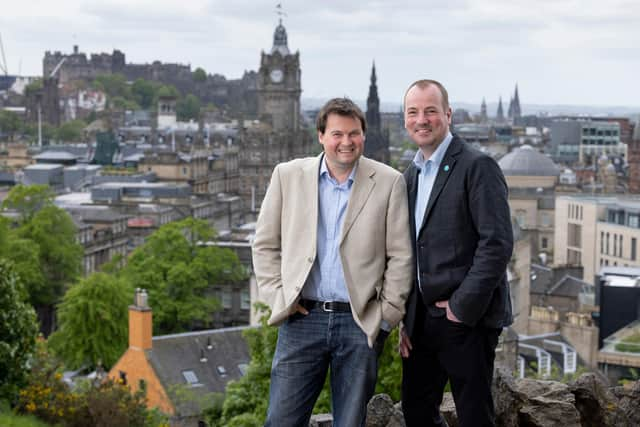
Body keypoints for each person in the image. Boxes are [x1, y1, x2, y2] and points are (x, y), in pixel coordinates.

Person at [252, 97, 413, 427]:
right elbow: (265, 244)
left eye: (354, 134)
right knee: (281, 420)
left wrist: (386, 317)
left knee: (350, 422)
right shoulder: (288, 175)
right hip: (302, 318)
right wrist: (278, 297)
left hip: (358, 322)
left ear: (364, 136)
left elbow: (401, 255)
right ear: (321, 135)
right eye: (337, 134)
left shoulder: (389, 181)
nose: (346, 142)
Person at [399, 79, 514, 427]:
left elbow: (496, 243)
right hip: (421, 323)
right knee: (417, 412)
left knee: (474, 417)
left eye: (431, 111)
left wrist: (462, 308)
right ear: (405, 119)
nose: (422, 120)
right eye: (413, 112)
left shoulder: (477, 166)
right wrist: (405, 318)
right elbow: (409, 251)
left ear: (447, 115)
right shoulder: (410, 175)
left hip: (466, 320)